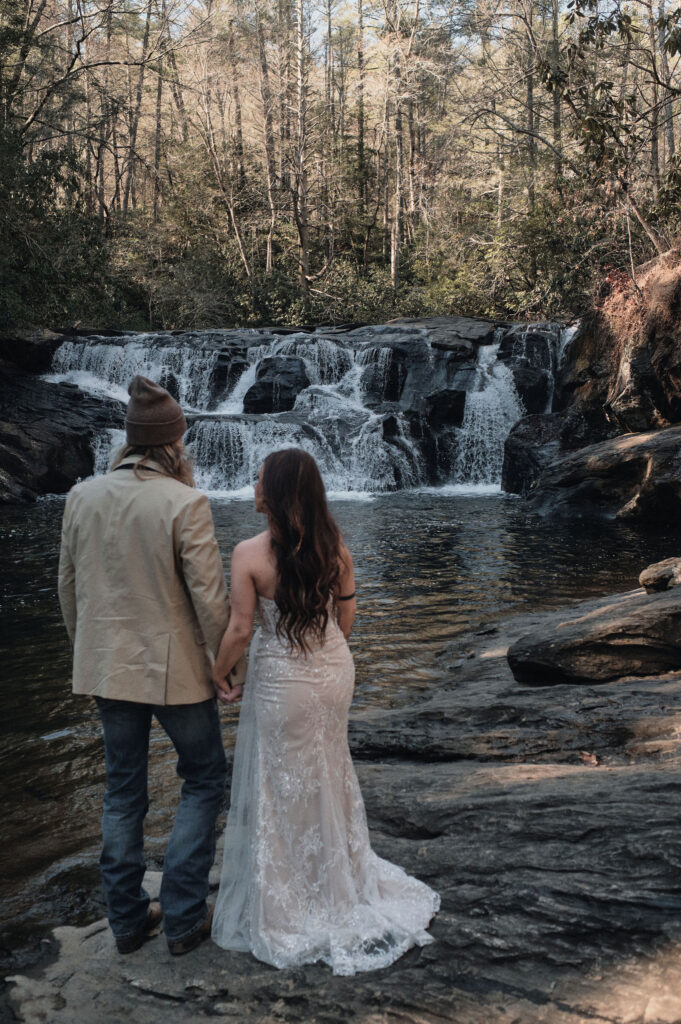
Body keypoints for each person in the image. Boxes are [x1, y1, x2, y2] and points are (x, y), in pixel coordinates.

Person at [210, 448, 439, 975]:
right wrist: (319, 659)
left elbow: (241, 631)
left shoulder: (247, 554)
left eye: (259, 479)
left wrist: (216, 674)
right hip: (332, 670)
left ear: (275, 493)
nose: (252, 486)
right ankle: (341, 879)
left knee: (282, 780)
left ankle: (294, 896)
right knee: (328, 769)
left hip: (282, 681)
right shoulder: (336, 549)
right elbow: (345, 620)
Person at [58, 375, 233, 957]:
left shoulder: (81, 496)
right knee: (205, 779)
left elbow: (68, 587)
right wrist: (227, 665)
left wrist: (88, 650)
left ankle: (128, 921)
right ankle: (184, 917)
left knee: (122, 792)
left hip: (108, 667)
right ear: (172, 443)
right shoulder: (185, 502)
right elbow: (210, 600)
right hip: (176, 671)